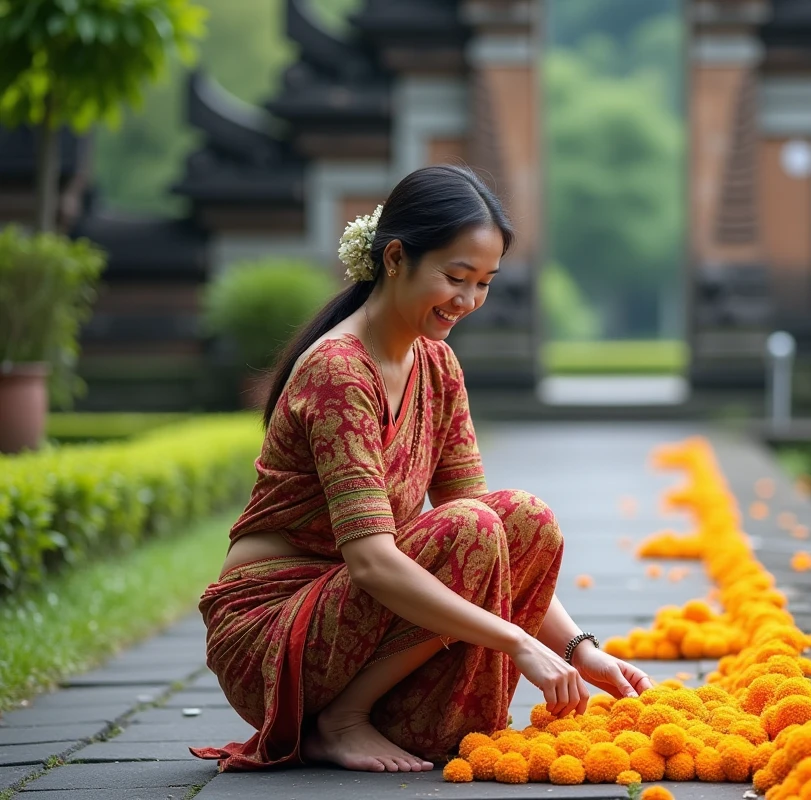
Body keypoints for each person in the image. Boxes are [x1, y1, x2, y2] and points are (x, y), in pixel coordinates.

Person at [190, 165, 652, 774]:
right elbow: (372, 560)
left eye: (484, 282)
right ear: (395, 257)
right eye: (456, 277)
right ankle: (340, 720)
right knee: (471, 529)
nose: (468, 301)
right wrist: (517, 643)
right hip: (276, 632)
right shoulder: (338, 371)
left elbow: (496, 538)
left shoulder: (437, 364)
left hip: (367, 623)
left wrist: (577, 649)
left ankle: (370, 710)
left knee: (522, 518)